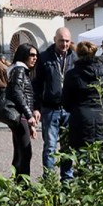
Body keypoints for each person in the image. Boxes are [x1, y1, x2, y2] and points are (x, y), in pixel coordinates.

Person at [33, 27, 77, 180]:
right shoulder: (44, 58)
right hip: (50, 109)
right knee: (50, 147)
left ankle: (67, 180)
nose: (64, 44)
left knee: (67, 147)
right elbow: (37, 84)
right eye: (61, 41)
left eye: (67, 41)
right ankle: (49, 180)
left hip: (69, 109)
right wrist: (36, 107)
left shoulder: (74, 58)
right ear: (54, 40)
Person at [61, 41, 103, 151]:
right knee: (101, 156)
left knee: (82, 157)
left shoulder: (72, 75)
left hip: (81, 118)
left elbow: (66, 102)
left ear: (78, 54)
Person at [6, 44, 39, 177]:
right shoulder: (19, 70)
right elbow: (17, 93)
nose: (34, 58)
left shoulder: (20, 70)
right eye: (31, 55)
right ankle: (23, 185)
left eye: (36, 55)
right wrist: (29, 115)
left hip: (22, 116)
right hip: (21, 116)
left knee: (19, 151)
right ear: (23, 55)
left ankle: (17, 183)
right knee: (25, 152)